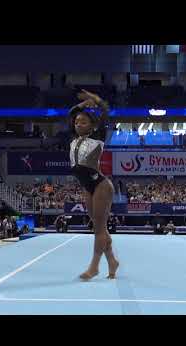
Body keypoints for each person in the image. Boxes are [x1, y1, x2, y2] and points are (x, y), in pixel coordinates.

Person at [68, 89, 119, 280]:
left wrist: (96, 100)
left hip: (101, 185)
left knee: (99, 228)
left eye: (83, 121)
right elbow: (71, 113)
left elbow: (105, 113)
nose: (78, 123)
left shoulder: (98, 137)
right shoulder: (73, 139)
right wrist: (82, 105)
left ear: (92, 126)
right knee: (99, 228)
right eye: (77, 122)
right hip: (88, 186)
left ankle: (94, 266)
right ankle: (112, 261)